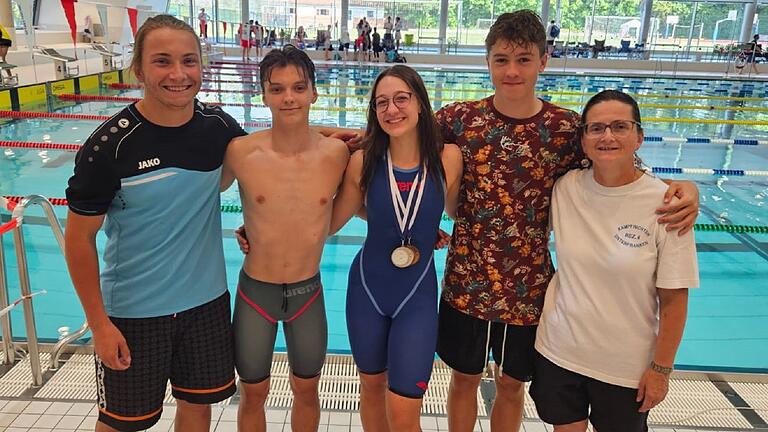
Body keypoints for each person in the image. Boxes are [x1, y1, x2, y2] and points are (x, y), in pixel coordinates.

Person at [432, 11, 699, 432]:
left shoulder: (565, 129)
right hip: (466, 283)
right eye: (501, 60)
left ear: (544, 60)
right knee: (463, 380)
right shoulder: (458, 120)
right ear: (487, 62)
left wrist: (685, 187)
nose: (512, 70)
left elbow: (618, 168)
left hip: (531, 291)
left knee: (511, 385)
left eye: (523, 59)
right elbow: (397, 141)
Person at [64, 15, 246, 432]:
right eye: (163, 61)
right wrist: (99, 324)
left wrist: (324, 135)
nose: (178, 74)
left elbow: (269, 154)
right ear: (139, 70)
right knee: (121, 424)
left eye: (189, 61)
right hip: (132, 314)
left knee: (198, 407)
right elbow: (78, 241)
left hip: (206, 306)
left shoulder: (218, 128)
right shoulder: (109, 147)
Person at [530, 89, 699, 431]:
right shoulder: (565, 188)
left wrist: (661, 369)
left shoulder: (668, 205)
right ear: (584, 139)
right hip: (558, 351)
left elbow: (674, 300)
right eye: (596, 128)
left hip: (625, 367)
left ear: (639, 137)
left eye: (619, 127)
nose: (607, 136)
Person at [222, 46, 349, 432]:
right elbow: (195, 195)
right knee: (253, 394)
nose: (288, 98)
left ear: (314, 92)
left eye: (298, 87)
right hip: (254, 292)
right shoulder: (241, 151)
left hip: (306, 292)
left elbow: (393, 144)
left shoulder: (338, 153)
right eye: (277, 89)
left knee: (308, 391)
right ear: (263, 94)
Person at [329, 65, 463, 432]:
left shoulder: (449, 158)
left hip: (416, 298)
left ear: (420, 102)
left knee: (405, 414)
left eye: (401, 98)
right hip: (367, 290)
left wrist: (423, 227)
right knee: (371, 388)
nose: (392, 109)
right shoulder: (362, 162)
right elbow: (330, 223)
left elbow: (450, 210)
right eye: (381, 103)